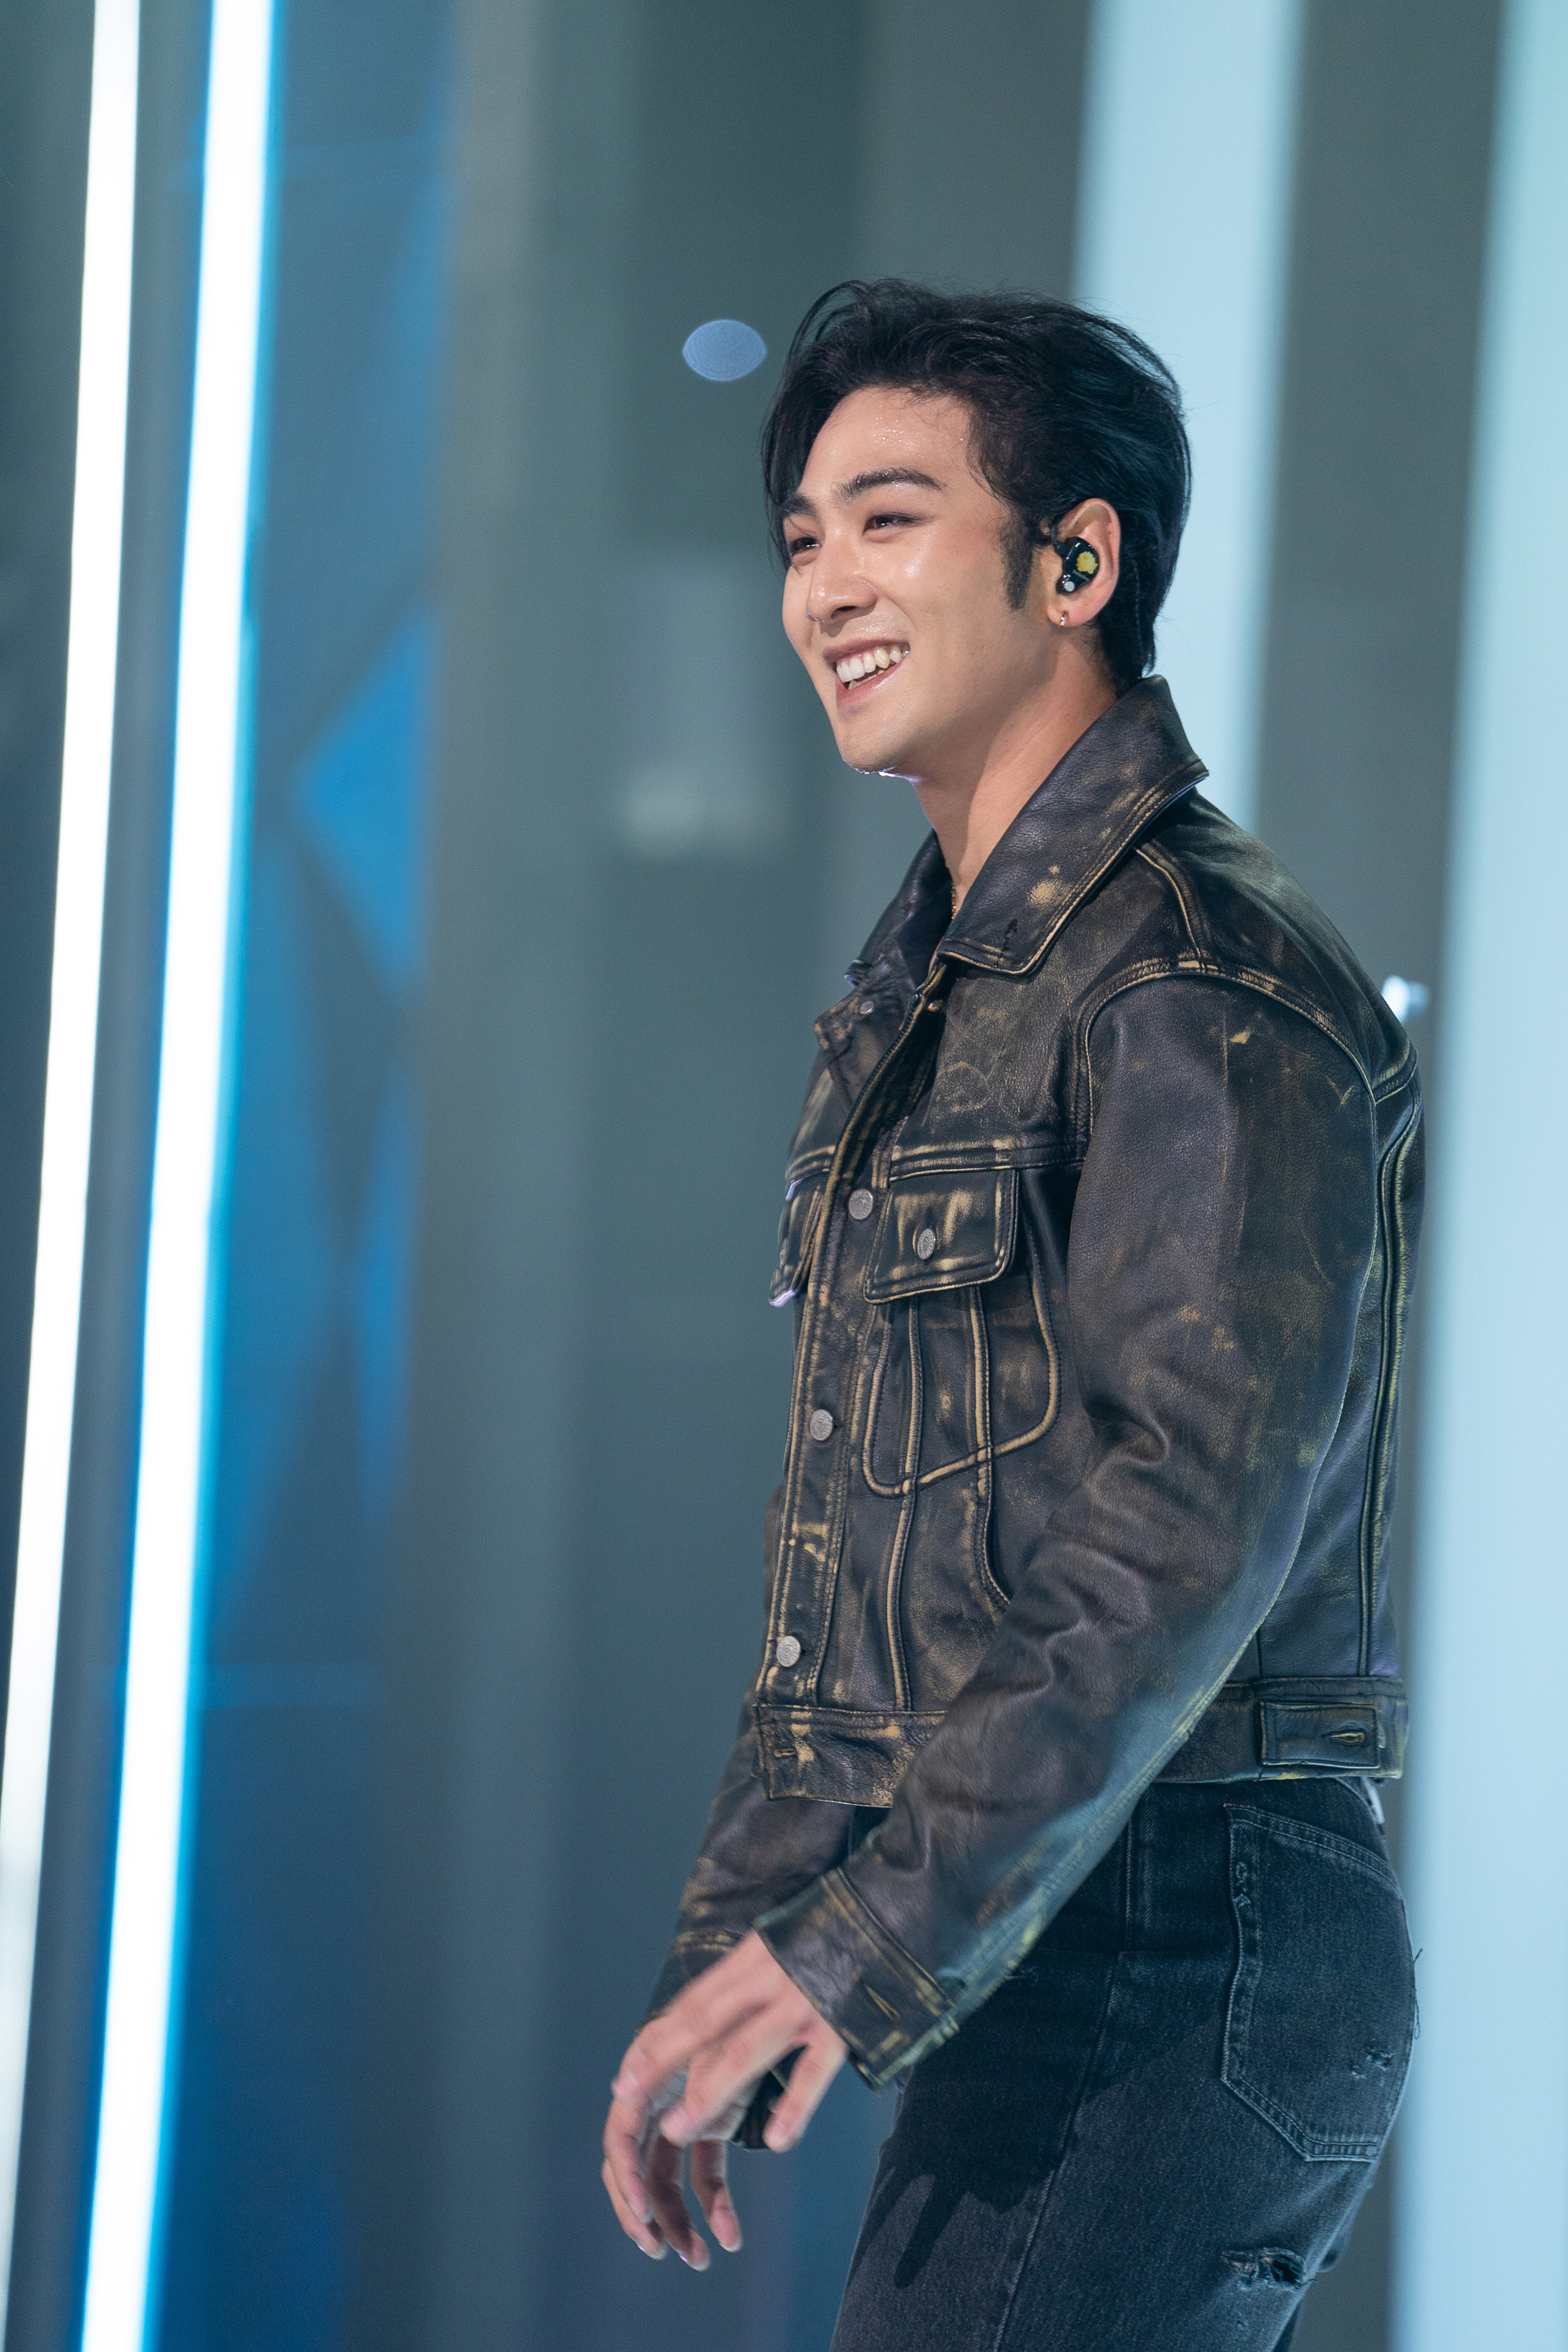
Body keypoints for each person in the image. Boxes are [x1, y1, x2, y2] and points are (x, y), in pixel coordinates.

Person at [601, 280, 1420, 2351]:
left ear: (1077, 563)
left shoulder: (1199, 974)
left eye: (890, 519)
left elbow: (1182, 1528)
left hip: (1183, 1935)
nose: (824, 587)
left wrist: (853, 1944)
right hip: (1067, 1932)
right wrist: (742, 1946)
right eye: (802, 536)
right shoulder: (937, 1003)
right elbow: (856, 1559)